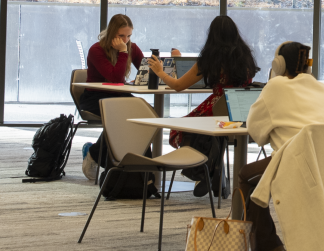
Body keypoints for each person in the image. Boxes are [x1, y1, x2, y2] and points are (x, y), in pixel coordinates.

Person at [240, 41, 324, 251]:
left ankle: (268, 246)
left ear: (278, 65)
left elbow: (255, 131)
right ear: (308, 65)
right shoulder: (321, 88)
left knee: (246, 177)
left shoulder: (275, 86)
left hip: (296, 162)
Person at [148, 15, 258, 194]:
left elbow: (177, 86)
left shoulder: (210, 59)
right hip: (244, 111)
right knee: (208, 134)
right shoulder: (246, 57)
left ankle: (204, 171)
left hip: (217, 108)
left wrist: (160, 72)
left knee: (183, 128)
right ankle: (213, 171)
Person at [80, 14, 144, 180]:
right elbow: (115, 79)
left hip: (118, 95)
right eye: (121, 36)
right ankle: (94, 154)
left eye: (129, 36)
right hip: (95, 97)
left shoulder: (132, 47)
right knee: (121, 117)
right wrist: (123, 52)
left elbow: (146, 72)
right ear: (111, 33)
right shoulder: (97, 50)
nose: (125, 40)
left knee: (145, 114)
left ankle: (139, 165)